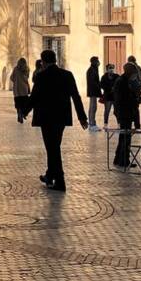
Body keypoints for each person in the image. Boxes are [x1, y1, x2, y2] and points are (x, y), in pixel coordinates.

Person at [25, 49, 87, 192]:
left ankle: (60, 181)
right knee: (54, 146)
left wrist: (24, 111)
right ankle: (50, 175)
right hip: (61, 117)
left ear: (43, 62)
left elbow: (34, 97)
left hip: (46, 118)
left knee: (52, 148)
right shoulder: (67, 75)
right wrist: (82, 117)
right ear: (55, 60)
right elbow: (76, 96)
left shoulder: (41, 76)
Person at [112, 63, 141, 168]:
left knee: (123, 137)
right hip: (124, 112)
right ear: (129, 71)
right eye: (134, 72)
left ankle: (118, 159)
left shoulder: (124, 81)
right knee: (126, 137)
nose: (135, 74)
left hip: (124, 112)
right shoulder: (122, 82)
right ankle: (123, 160)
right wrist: (136, 100)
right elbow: (125, 99)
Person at [10, 57, 31, 123]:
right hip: (24, 89)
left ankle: (19, 114)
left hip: (17, 89)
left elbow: (11, 77)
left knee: (18, 104)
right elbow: (27, 78)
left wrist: (16, 80)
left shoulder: (15, 68)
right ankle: (23, 113)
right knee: (24, 103)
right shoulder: (27, 69)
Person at [98, 63, 118, 129]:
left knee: (117, 111)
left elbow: (120, 84)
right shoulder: (104, 77)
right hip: (107, 96)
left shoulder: (117, 76)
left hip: (115, 96)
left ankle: (119, 124)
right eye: (110, 68)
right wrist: (109, 88)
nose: (111, 69)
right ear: (107, 69)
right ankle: (105, 124)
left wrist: (115, 88)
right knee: (107, 111)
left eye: (112, 68)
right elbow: (101, 85)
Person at [85, 56, 103, 131]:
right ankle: (92, 124)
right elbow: (93, 82)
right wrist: (99, 86)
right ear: (93, 62)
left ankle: (91, 123)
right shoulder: (92, 70)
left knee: (92, 107)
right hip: (93, 91)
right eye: (97, 61)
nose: (98, 63)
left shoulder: (93, 69)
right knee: (93, 107)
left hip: (93, 91)